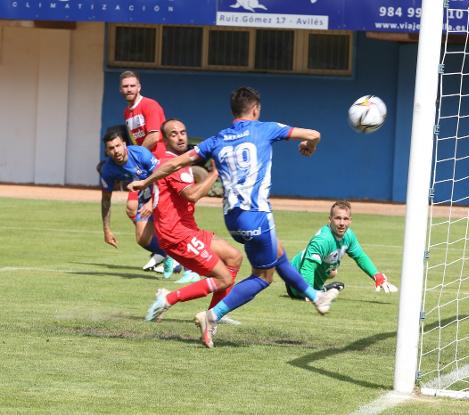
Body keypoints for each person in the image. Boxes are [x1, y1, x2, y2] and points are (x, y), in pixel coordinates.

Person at [128, 86, 340, 348]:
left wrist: (145, 181)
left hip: (233, 220)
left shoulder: (217, 139)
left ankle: (316, 297)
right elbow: (314, 134)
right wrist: (310, 145)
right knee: (263, 277)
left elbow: (173, 163)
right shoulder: (265, 128)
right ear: (255, 109)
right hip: (256, 214)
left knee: (277, 252)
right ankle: (212, 315)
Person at [144, 118, 243, 323]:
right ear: (164, 139)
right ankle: (168, 298)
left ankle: (216, 312)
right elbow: (192, 195)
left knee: (234, 256)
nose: (180, 137)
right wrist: (214, 174)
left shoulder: (182, 163)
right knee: (223, 278)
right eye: (173, 134)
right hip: (176, 234)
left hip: (187, 229)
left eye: (182, 132)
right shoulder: (169, 163)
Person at [285, 200, 398, 300]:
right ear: (330, 219)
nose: (342, 223)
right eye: (338, 218)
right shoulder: (323, 239)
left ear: (350, 221)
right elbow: (307, 268)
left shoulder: (348, 235)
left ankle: (322, 289)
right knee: (323, 270)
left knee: (333, 271)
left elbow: (360, 256)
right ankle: (321, 290)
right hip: (295, 282)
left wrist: (376, 275)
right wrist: (309, 294)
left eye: (345, 219)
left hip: (317, 274)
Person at [120, 70, 169, 272]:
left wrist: (134, 155)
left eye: (132, 85)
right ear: (120, 89)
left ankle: (171, 255)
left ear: (139, 87)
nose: (129, 89)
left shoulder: (150, 105)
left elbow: (155, 136)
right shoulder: (127, 112)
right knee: (132, 208)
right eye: (125, 86)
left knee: (162, 213)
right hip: (142, 169)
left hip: (156, 165)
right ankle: (162, 252)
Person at [99, 126, 168, 265]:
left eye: (118, 145)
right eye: (111, 148)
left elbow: (162, 177)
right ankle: (169, 256)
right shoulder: (108, 170)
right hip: (146, 192)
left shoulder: (141, 153)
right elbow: (106, 200)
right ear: (107, 151)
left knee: (172, 229)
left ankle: (193, 259)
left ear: (124, 144)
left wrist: (152, 203)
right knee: (142, 238)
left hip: (164, 190)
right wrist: (107, 230)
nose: (116, 150)